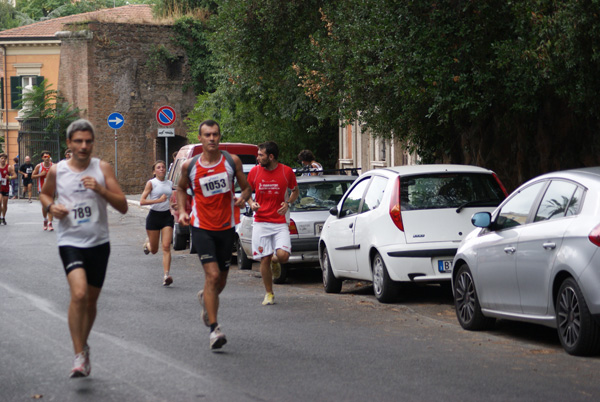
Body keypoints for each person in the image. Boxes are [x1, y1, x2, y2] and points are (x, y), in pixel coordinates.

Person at [39, 119, 128, 378]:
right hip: (70, 241)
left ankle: (84, 345)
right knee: (78, 294)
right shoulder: (58, 170)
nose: (84, 146)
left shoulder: (103, 168)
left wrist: (100, 189)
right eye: (78, 141)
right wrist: (50, 207)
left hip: (99, 243)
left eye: (88, 141)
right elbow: (44, 194)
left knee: (90, 301)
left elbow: (122, 205)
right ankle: (78, 355)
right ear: (69, 143)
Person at [176, 119, 251, 350]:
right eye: (207, 135)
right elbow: (180, 188)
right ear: (200, 138)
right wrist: (182, 212)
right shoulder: (190, 166)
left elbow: (246, 186)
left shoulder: (232, 161)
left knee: (221, 280)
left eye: (215, 134)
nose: (211, 138)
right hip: (202, 228)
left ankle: (205, 298)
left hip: (226, 228)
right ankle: (214, 329)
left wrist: (243, 196)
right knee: (212, 274)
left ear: (219, 137)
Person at [247, 141, 299, 305]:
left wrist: (288, 202)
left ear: (271, 156)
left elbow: (295, 190)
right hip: (261, 221)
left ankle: (275, 260)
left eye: (261, 155)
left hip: (279, 221)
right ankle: (269, 293)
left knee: (283, 256)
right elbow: (247, 192)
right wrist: (251, 203)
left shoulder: (286, 171)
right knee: (264, 258)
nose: (258, 157)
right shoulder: (254, 172)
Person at [140, 160, 175, 286]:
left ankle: (166, 275)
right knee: (154, 250)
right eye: (158, 167)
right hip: (154, 217)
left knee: (166, 246)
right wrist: (158, 201)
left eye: (163, 167)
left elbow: (169, 200)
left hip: (166, 217)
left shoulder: (170, 183)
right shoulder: (151, 183)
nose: (161, 169)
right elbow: (142, 201)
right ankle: (147, 245)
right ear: (154, 171)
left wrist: (173, 205)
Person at [32, 150, 54, 231]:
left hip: (51, 189)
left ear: (50, 157)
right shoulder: (39, 166)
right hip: (42, 189)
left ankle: (50, 223)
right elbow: (32, 176)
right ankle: (45, 220)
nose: (46, 158)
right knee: (45, 206)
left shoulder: (53, 166)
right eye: (45, 157)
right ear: (42, 158)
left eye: (48, 156)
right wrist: (40, 175)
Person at [0, 153, 17, 225]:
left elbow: (15, 176)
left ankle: (3, 217)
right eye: (2, 158)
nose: (3, 160)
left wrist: (9, 177)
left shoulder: (8, 167)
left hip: (6, 188)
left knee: (5, 204)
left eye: (4, 158)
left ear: (6, 160)